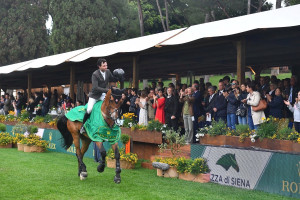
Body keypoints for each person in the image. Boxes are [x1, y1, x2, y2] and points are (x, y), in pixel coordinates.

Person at [80, 58, 115, 134]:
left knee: (108, 107)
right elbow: (95, 87)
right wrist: (107, 90)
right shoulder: (95, 74)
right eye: (104, 66)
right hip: (95, 95)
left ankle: (109, 124)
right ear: (99, 66)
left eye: (106, 65)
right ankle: (83, 126)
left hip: (103, 94)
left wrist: (118, 76)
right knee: (89, 109)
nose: (106, 67)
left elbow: (113, 78)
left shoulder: (108, 71)